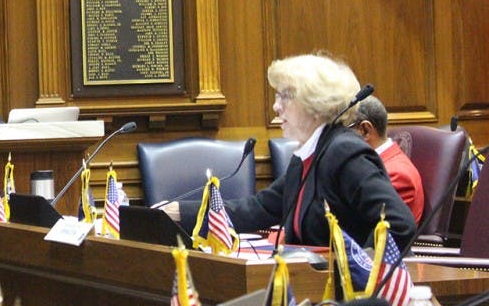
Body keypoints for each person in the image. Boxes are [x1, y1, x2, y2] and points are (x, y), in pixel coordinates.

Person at [161, 52, 416, 251]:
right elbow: (257, 209)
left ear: (315, 103)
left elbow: (398, 223)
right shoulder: (310, 155)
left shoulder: (345, 153)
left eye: (285, 97)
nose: (275, 106)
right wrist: (178, 212)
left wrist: (359, 270)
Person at [347, 95, 425, 223]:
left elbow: (372, 232)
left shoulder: (397, 176)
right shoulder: (368, 166)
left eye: (343, 131)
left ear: (365, 130)